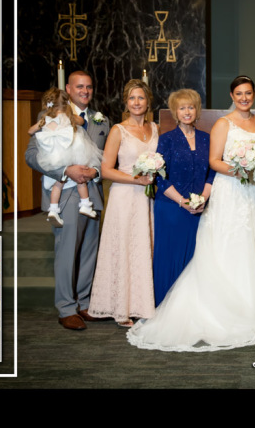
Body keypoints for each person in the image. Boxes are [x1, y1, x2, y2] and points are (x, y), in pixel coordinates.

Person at [127, 75, 255, 351]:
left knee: (253, 244)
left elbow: (210, 169)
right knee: (224, 246)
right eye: (239, 93)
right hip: (225, 191)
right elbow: (215, 163)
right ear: (232, 96)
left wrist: (206, 194)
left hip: (253, 192)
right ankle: (204, 305)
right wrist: (238, 169)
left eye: (248, 92)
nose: (244, 97)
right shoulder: (215, 126)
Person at [25, 71, 109, 330]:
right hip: (65, 192)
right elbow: (31, 156)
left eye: (90, 87)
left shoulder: (101, 120)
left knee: (88, 252)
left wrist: (95, 171)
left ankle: (84, 303)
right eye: (80, 86)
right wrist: (64, 172)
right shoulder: (49, 115)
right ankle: (66, 307)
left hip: (92, 191)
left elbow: (107, 156)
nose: (85, 91)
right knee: (67, 251)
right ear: (68, 90)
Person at [88, 80, 158, 327]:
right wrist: (135, 180)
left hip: (147, 198)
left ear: (148, 101)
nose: (136, 103)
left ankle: (142, 304)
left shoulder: (156, 128)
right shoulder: (119, 130)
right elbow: (105, 170)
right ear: (126, 103)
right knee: (124, 248)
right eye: (132, 99)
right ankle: (121, 308)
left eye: (140, 98)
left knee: (143, 247)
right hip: (125, 195)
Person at [152, 88, 214, 307]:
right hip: (171, 208)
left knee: (196, 261)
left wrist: (203, 198)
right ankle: (166, 307)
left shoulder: (208, 138)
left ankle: (192, 309)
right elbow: (159, 177)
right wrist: (182, 201)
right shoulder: (166, 140)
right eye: (182, 108)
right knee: (171, 258)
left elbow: (212, 172)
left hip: (199, 209)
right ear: (175, 112)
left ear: (197, 110)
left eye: (191, 107)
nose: (187, 111)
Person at [28, 87, 103, 226]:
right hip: (71, 153)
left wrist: (44, 127)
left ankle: (53, 209)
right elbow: (81, 121)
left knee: (58, 183)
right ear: (67, 103)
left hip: (54, 156)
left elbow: (30, 131)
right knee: (80, 178)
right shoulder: (69, 116)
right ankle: (85, 204)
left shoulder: (45, 118)